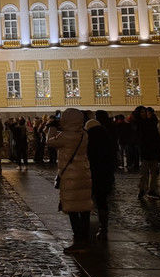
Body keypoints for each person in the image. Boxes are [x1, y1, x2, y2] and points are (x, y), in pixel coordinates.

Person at [46, 107, 92, 252]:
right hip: (84, 174)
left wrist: (52, 127)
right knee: (84, 209)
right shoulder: (83, 134)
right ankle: (85, 239)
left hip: (70, 176)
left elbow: (49, 142)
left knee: (72, 209)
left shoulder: (65, 136)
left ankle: (78, 241)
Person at [86, 111, 118, 238]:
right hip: (105, 175)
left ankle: (86, 224)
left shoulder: (88, 141)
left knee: (89, 200)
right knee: (102, 201)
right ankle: (103, 227)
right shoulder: (107, 140)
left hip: (92, 174)